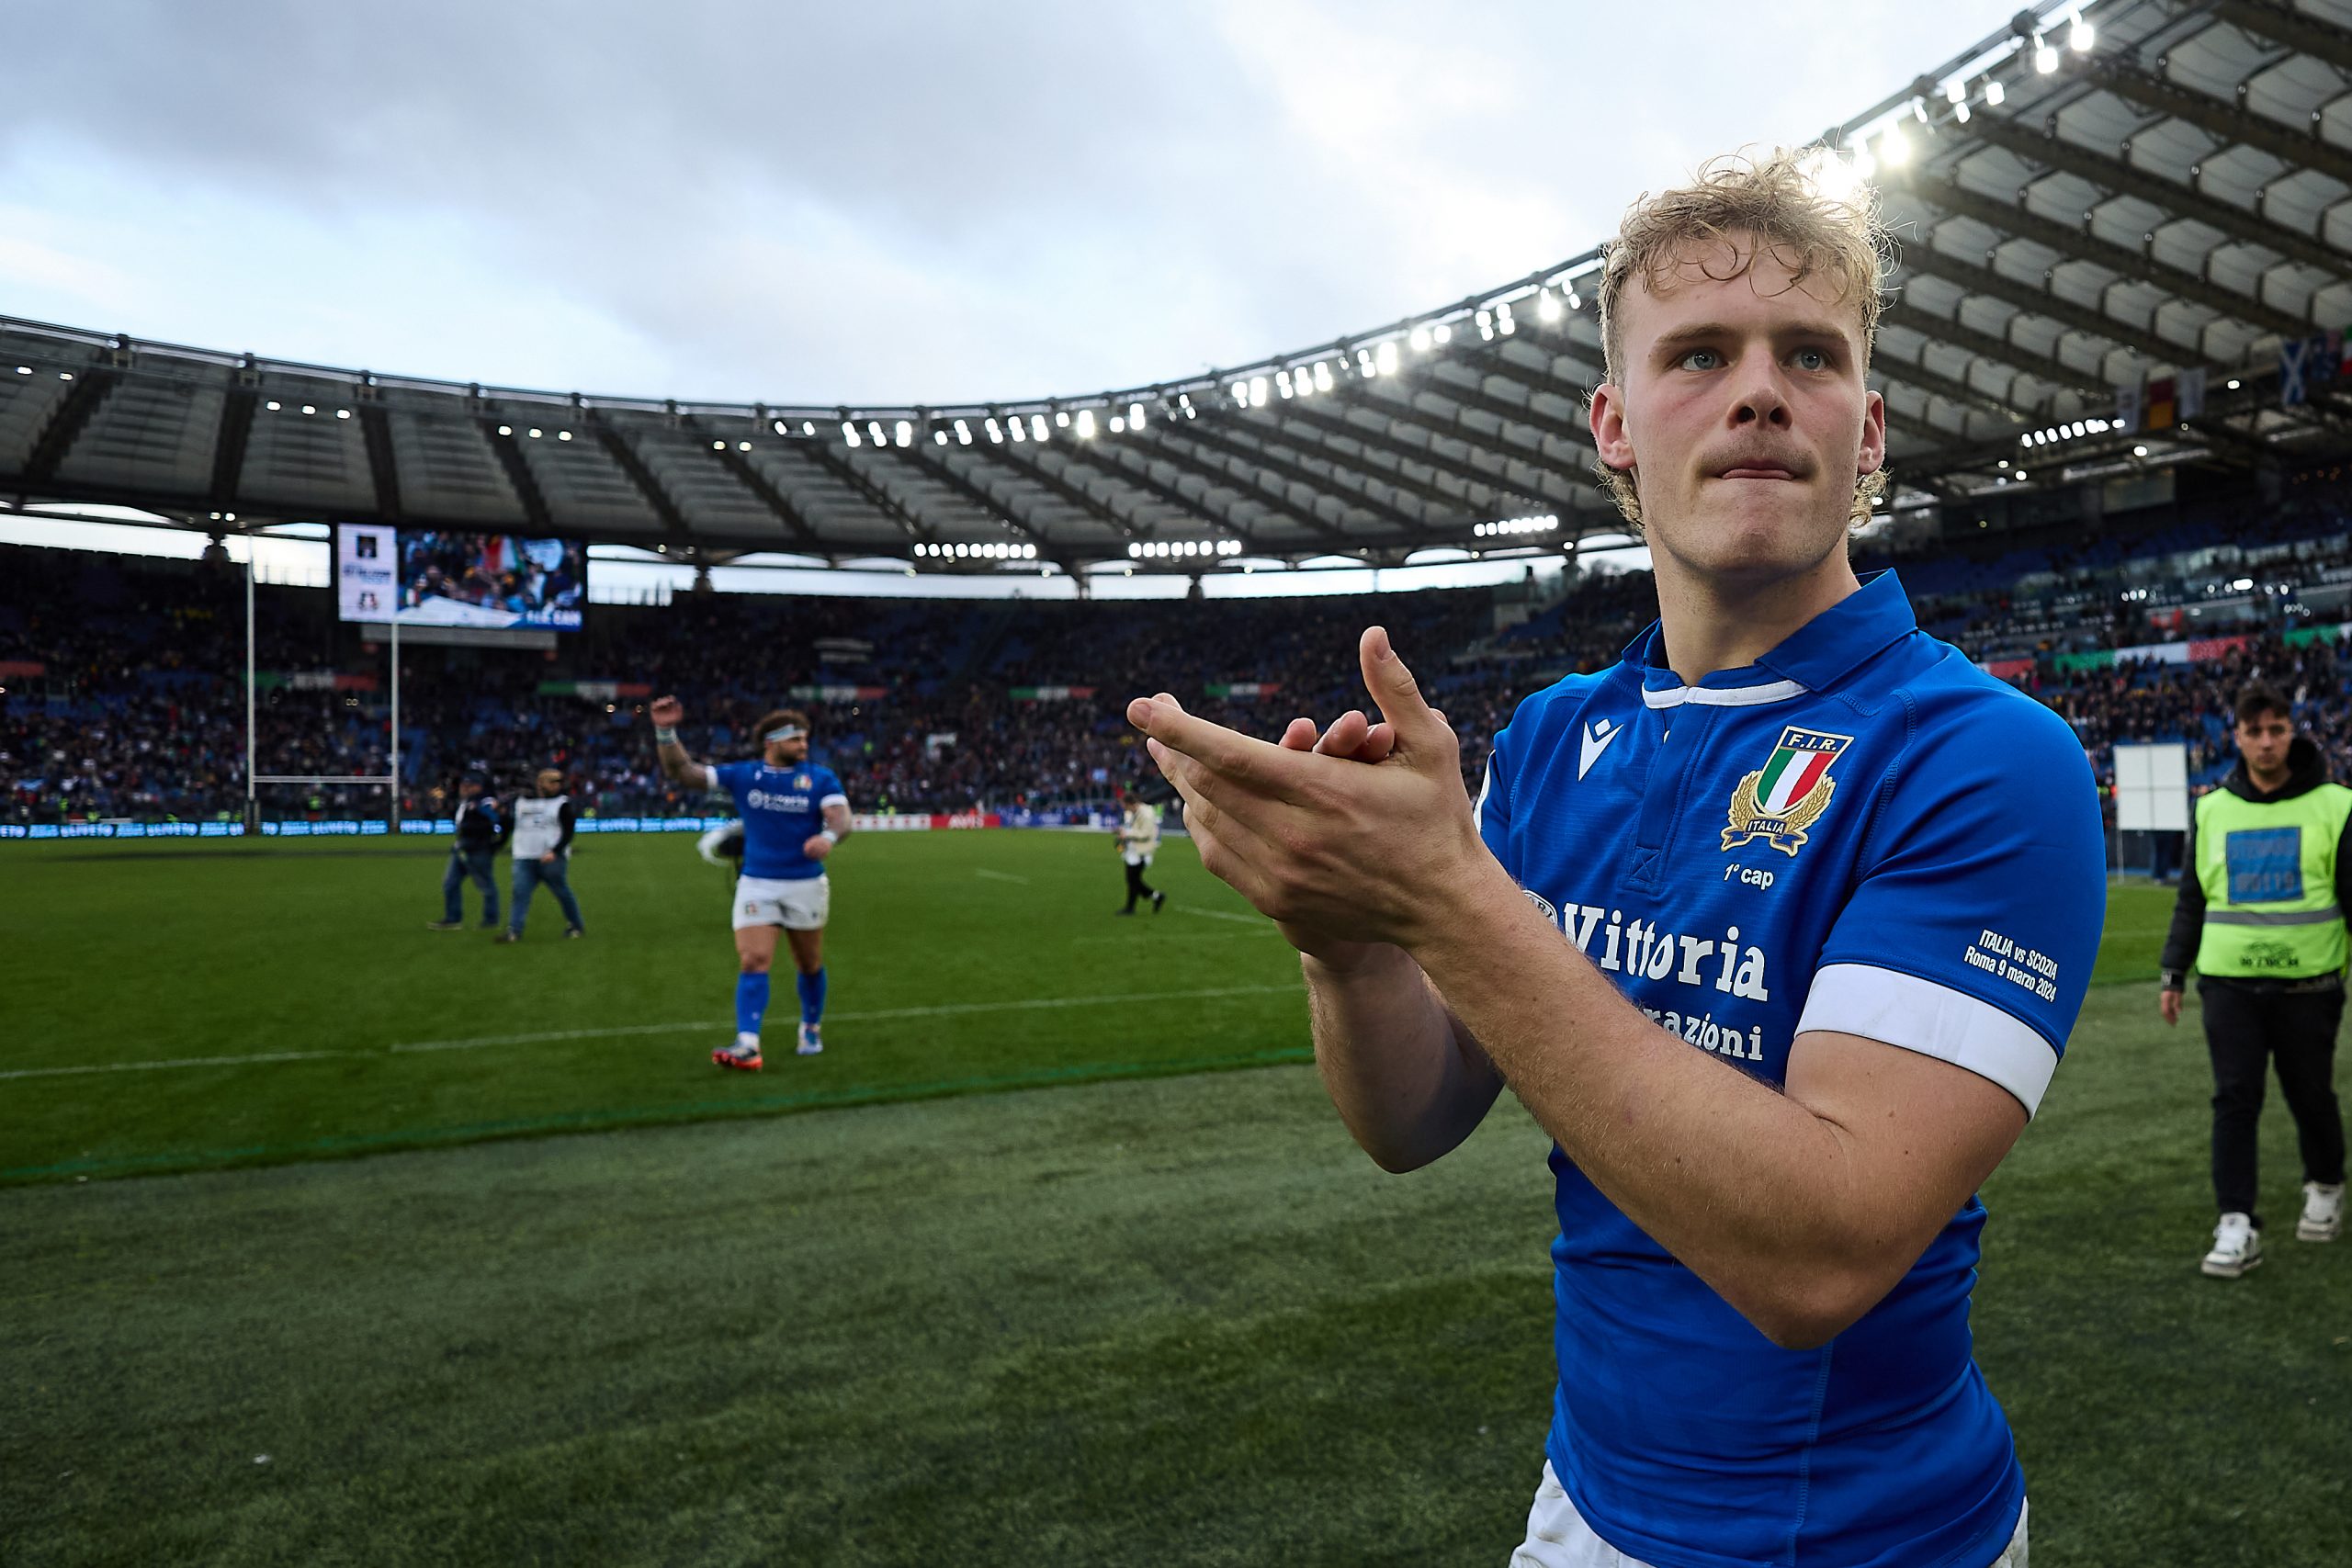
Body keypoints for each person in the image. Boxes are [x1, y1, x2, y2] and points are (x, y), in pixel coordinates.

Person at [1128, 152, 2106, 1568]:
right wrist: (1345, 941)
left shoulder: (1986, 756)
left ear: (1870, 426)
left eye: (1810, 357)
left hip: (1873, 1541)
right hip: (1582, 1498)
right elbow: (1410, 1117)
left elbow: (1821, 1251)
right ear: (1615, 424)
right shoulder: (1555, 733)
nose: (1759, 389)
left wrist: (1443, 894)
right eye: (1699, 354)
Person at [2158, 682, 2349, 1277]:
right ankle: (2236, 1222)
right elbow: (2192, 898)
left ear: (2291, 730)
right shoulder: (2211, 807)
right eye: (2254, 730)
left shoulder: (2337, 805)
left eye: (2276, 728)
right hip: (2228, 984)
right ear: (2235, 737)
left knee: (2310, 1095)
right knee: (2234, 1099)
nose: (2266, 741)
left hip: (2309, 986)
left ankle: (2325, 1182)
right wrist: (2173, 970)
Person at [650, 697, 850, 1068]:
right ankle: (748, 1043)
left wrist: (829, 838)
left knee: (808, 963)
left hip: (805, 882)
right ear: (771, 742)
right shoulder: (743, 775)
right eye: (796, 740)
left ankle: (810, 1025)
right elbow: (683, 772)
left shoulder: (821, 778)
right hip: (757, 883)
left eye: (806, 740)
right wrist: (665, 731)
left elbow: (841, 818)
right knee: (754, 959)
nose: (804, 746)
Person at [496, 767, 584, 942]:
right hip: (524, 855)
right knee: (520, 893)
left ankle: (576, 925)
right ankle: (514, 930)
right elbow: (509, 826)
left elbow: (568, 832)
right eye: (552, 781)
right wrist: (502, 816)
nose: (557, 785)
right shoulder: (521, 802)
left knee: (562, 892)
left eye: (559, 781)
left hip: (550, 857)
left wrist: (556, 851)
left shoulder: (562, 803)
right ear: (540, 783)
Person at [427, 772, 508, 930]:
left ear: (478, 786)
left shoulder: (484, 802)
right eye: (464, 784)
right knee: (450, 883)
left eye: (469, 785)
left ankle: (490, 920)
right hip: (462, 848)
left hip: (478, 849)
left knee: (486, 886)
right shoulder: (467, 802)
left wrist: (494, 843)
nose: (464, 788)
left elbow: (496, 821)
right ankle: (453, 918)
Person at [1113, 784, 1165, 915]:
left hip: (1141, 852)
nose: (1123, 808)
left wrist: (1127, 834)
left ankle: (1149, 899)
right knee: (1133, 881)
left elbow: (1146, 834)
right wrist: (1122, 831)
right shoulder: (1134, 812)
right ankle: (1152, 898)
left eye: (1124, 805)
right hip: (1133, 851)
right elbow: (1132, 828)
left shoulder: (1146, 814)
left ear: (1130, 804)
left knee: (1133, 881)